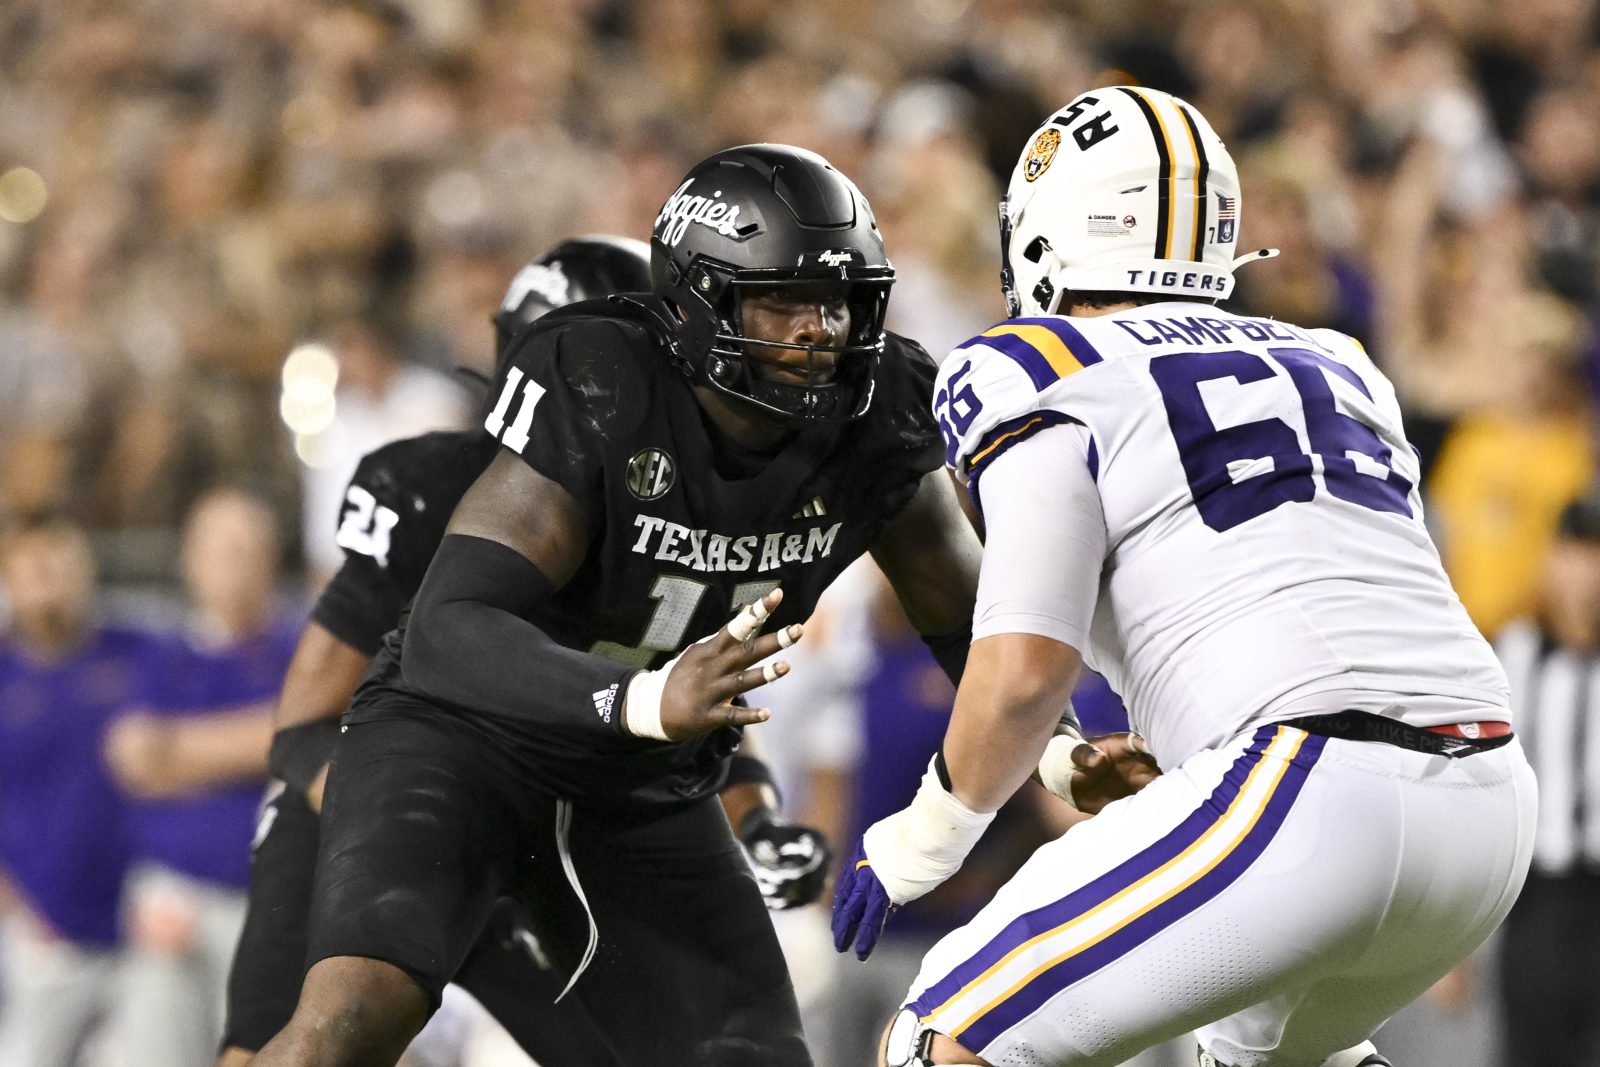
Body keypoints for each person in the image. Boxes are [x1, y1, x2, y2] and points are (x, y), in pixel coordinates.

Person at [251, 144, 1151, 1067]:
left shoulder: (879, 414)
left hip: (640, 775)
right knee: (350, 1022)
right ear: (697, 301)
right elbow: (449, 626)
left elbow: (965, 622)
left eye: (839, 300)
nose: (820, 330)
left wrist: (1057, 752)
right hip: (464, 742)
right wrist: (644, 696)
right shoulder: (605, 377)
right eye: (784, 301)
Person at [833, 86, 1536, 1067]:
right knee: (1262, 1054)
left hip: (1305, 790)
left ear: (1045, 233)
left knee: (941, 1036)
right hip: (1491, 806)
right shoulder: (1336, 358)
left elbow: (1027, 667)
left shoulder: (1033, 361)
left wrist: (927, 834)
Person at [218, 236, 714, 1067]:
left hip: (548, 832)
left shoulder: (679, 523)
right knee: (296, 1050)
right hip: (377, 814)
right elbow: (302, 726)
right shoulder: (431, 490)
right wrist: (413, 826)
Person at [106, 487, 299, 1067]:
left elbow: (296, 735)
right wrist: (252, 743)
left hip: (272, 909)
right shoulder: (160, 653)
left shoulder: (301, 645)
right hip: (173, 900)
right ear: (189, 559)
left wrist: (180, 750)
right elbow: (133, 758)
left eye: (244, 547)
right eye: (218, 548)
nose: (231, 562)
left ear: (271, 559)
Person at [0, 513, 155, 1067]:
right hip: (39, 935)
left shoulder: (141, 652)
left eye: (60, 562)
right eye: (33, 567)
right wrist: (15, 911)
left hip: (142, 929)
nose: (48, 580)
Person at [1491, 492, 1600, 1065]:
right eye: (1575, 553)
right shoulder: (1515, 651)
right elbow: (1480, 788)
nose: (1586, 574)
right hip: (1536, 900)